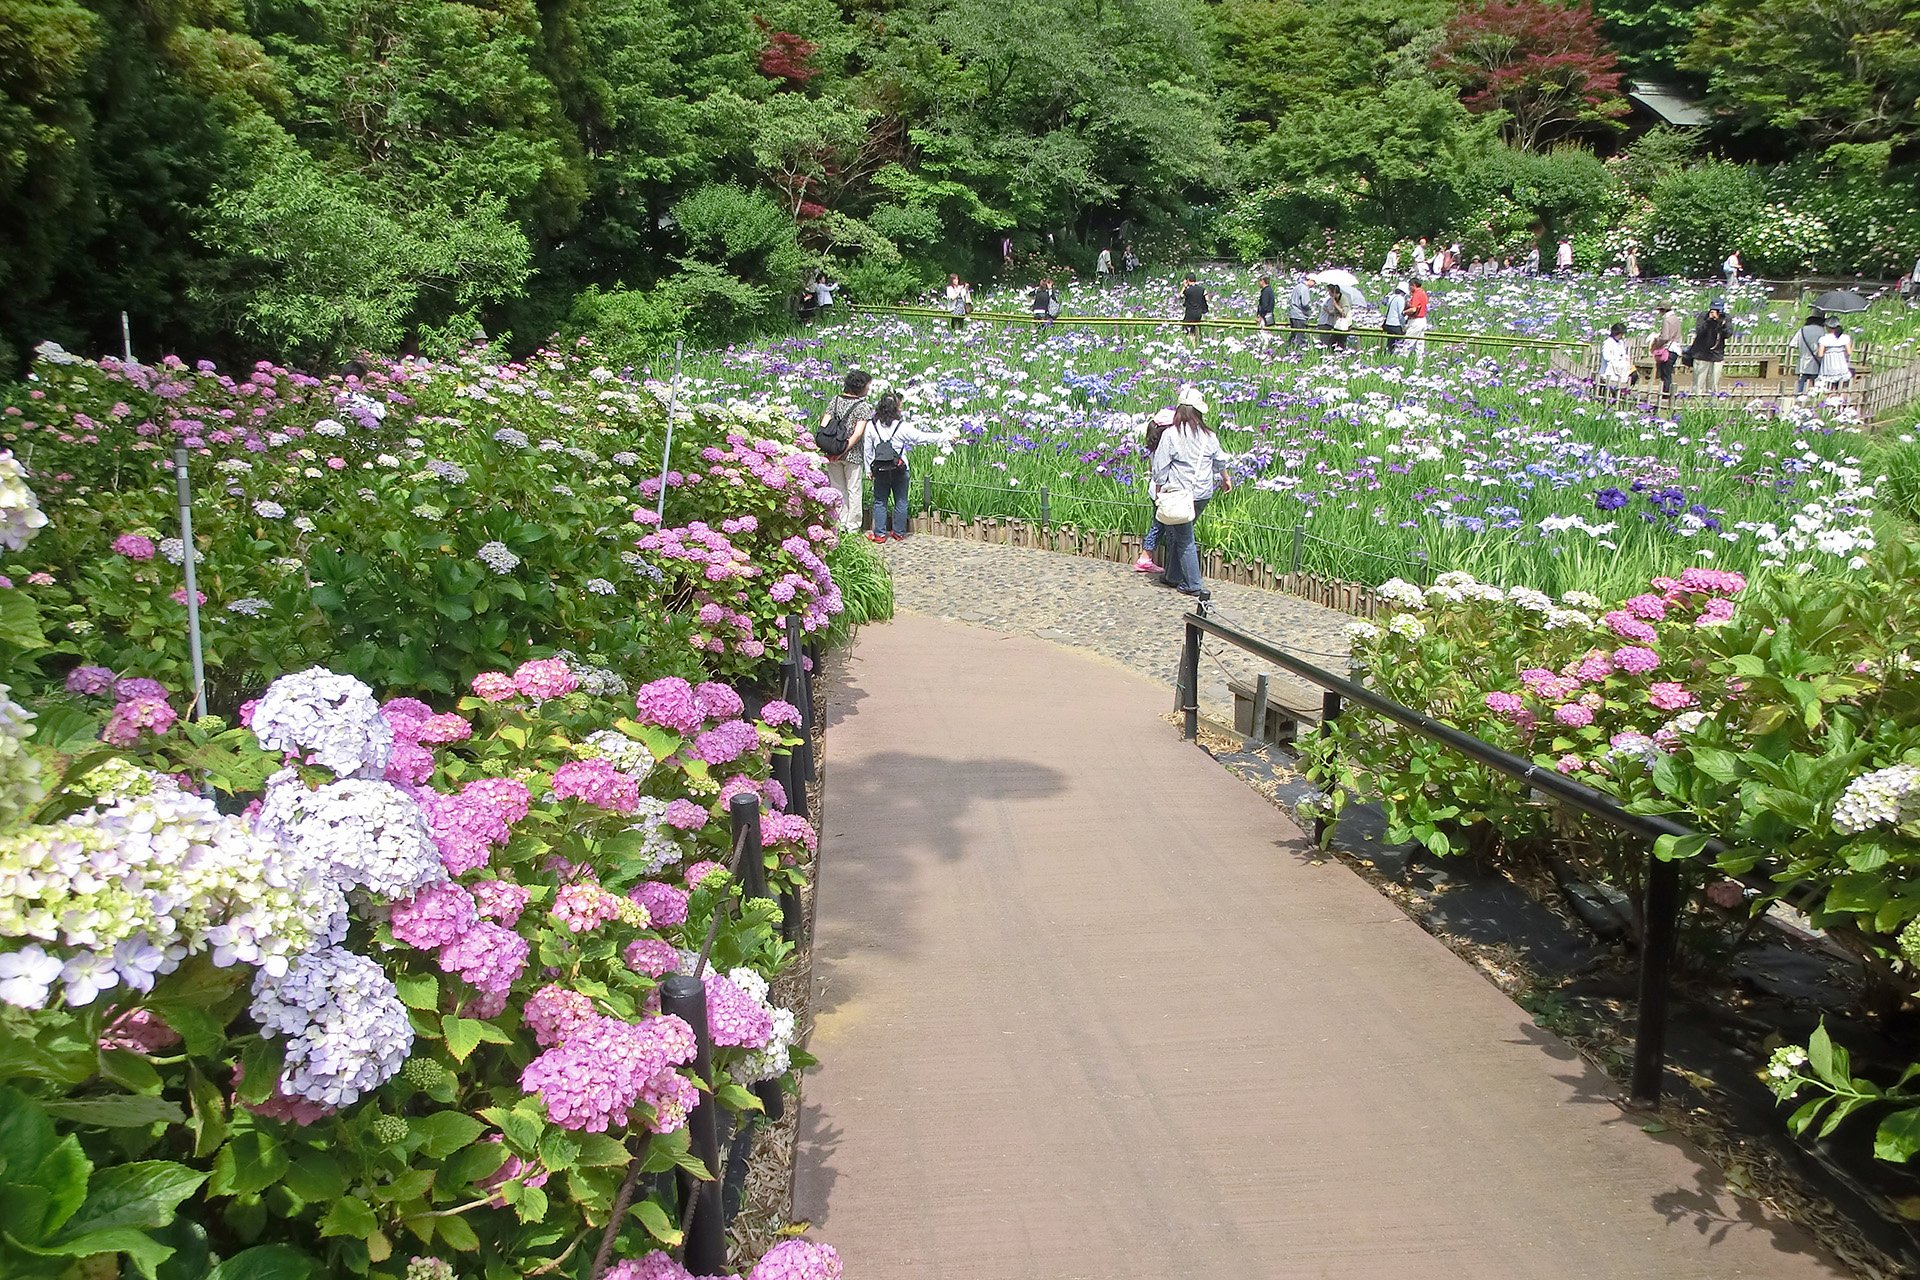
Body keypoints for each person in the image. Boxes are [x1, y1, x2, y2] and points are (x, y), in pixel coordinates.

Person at [1150, 400, 1232, 597]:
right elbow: (1220, 461)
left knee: (1184, 537)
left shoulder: (1171, 434)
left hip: (1179, 492)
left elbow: (1161, 466)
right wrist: (1226, 479)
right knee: (1177, 532)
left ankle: (1193, 583)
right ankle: (1172, 575)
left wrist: (1159, 490)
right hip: (1202, 493)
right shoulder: (1209, 435)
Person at [863, 393, 952, 542]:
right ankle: (898, 533)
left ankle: (879, 535)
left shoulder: (871, 425)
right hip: (899, 468)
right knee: (901, 500)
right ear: (896, 409)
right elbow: (922, 437)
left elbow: (867, 450)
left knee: (880, 501)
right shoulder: (902, 426)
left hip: (880, 469)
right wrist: (945, 436)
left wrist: (868, 470)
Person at [816, 370, 873, 533]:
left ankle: (839, 523)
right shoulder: (862, 406)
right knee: (854, 489)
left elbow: (823, 425)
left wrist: (830, 449)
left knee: (837, 488)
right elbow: (857, 433)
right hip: (852, 454)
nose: (868, 389)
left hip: (831, 453)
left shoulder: (834, 401)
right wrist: (843, 450)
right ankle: (853, 526)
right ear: (860, 387)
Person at [1132, 403, 1179, 573]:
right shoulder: (1166, 445)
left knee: (1158, 525)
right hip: (1163, 492)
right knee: (1169, 529)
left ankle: (1146, 557)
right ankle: (1171, 565)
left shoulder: (1153, 445)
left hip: (1155, 491)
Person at [1691, 299, 1730, 394]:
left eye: (1718, 311)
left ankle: (1712, 404)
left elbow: (1728, 334)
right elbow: (1699, 332)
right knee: (1698, 383)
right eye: (1714, 310)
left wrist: (1721, 324)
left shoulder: (1725, 318)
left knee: (1713, 384)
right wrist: (1709, 321)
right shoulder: (1703, 316)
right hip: (1701, 354)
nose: (1715, 313)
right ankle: (1697, 402)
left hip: (1717, 355)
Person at [1649, 303, 1682, 396]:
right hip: (1676, 348)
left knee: (1665, 373)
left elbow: (1665, 337)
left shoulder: (1667, 320)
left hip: (1669, 349)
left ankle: (1666, 393)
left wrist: (1657, 343)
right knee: (1668, 372)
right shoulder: (1676, 319)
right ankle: (1667, 392)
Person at [1817, 319, 1855, 397]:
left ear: (1827, 327)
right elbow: (1849, 352)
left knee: (1828, 388)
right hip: (1841, 365)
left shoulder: (1823, 339)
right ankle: (1840, 402)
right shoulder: (1845, 338)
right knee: (1841, 387)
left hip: (1828, 365)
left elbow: (1820, 354)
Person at [1793, 312, 1827, 396]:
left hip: (1803, 361)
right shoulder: (1821, 331)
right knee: (1816, 385)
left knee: (1801, 384)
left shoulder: (1802, 330)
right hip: (1815, 362)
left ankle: (1798, 398)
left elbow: (1793, 344)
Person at [1599, 322, 1634, 401]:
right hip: (1609, 371)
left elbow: (1623, 354)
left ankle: (1623, 393)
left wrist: (1625, 358)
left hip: (1620, 368)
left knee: (1634, 375)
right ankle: (1617, 395)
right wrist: (1617, 358)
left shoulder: (1620, 343)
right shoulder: (1608, 343)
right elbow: (1606, 356)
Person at [1405, 279, 1430, 367]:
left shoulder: (1417, 294)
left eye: (1410, 286)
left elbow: (1414, 309)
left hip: (1416, 321)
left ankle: (1402, 363)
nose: (1409, 288)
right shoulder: (1423, 293)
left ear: (1413, 285)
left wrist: (1404, 312)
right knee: (1419, 346)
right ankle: (1419, 365)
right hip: (1423, 320)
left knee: (1407, 344)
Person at [1286, 273, 1316, 342]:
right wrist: (1311, 309)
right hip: (1299, 315)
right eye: (1314, 282)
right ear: (1310, 280)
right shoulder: (1304, 288)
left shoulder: (1297, 286)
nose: (1314, 285)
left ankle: (1289, 348)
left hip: (1293, 314)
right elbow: (1305, 303)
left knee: (1293, 335)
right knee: (1299, 337)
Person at [1381, 279, 1409, 353]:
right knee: (1401, 342)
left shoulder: (1392, 297)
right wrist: (1403, 325)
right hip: (1395, 324)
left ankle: (1388, 355)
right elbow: (1401, 314)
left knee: (1390, 342)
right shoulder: (1400, 299)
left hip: (1388, 323)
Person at [1321, 284, 1351, 349]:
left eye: (1329, 291)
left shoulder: (1344, 299)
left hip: (1344, 325)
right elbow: (1335, 312)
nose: (1328, 293)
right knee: (1332, 343)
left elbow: (1344, 313)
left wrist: (1336, 305)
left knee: (1340, 343)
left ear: (1333, 292)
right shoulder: (1335, 299)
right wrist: (1329, 311)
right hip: (1338, 324)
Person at [1180, 272, 1208, 340]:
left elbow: (1180, 296)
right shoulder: (1202, 289)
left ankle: (1192, 345)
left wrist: (1184, 287)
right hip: (1199, 313)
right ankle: (1197, 342)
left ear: (1188, 280)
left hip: (1190, 313)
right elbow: (1207, 298)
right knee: (1196, 329)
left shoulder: (1188, 290)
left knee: (1188, 331)